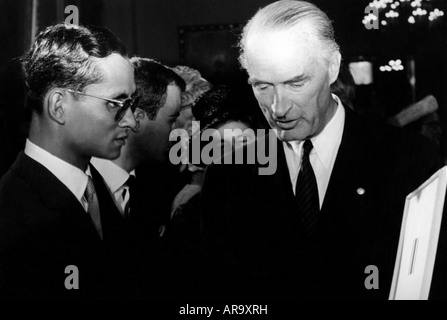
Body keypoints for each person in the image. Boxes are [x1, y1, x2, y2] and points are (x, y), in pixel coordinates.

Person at [198, 0, 444, 300]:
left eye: (296, 83)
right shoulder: (228, 174)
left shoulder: (412, 159)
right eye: (262, 86)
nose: (278, 108)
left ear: (332, 67)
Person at [0, 23, 138, 299]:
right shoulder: (11, 219)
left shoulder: (96, 188)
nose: (132, 122)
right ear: (58, 106)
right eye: (115, 104)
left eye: (132, 104)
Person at [90, 57, 185, 299]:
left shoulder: (155, 188)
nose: (178, 134)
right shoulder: (78, 190)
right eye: (172, 120)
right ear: (138, 119)